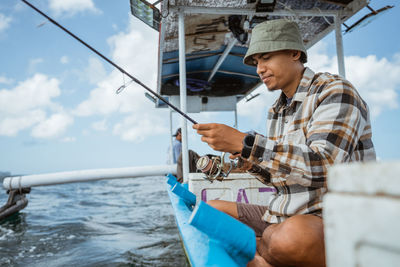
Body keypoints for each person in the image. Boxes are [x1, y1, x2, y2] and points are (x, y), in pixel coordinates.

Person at [193, 19, 376, 267]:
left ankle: (260, 251)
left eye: (266, 57)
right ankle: (264, 249)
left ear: (294, 53)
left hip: (331, 220)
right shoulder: (276, 110)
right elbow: (281, 176)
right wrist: (250, 162)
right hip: (282, 214)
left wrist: (247, 143)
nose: (259, 69)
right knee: (209, 211)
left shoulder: (335, 91)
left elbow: (325, 168)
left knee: (290, 239)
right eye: (256, 62)